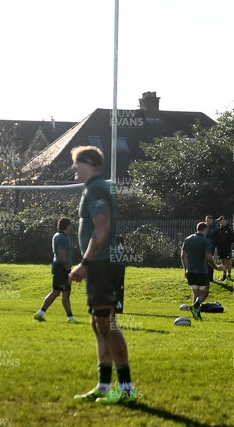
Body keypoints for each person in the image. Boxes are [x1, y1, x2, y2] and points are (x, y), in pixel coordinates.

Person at [69, 145, 137, 405]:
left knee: (107, 323)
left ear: (91, 164)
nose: (74, 168)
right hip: (100, 262)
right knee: (98, 322)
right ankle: (104, 386)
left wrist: (84, 263)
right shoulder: (94, 188)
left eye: (78, 163)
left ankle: (127, 388)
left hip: (103, 263)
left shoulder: (96, 188)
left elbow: (102, 229)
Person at [34, 217, 77, 323]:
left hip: (57, 267)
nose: (71, 228)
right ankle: (70, 317)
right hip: (62, 268)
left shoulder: (57, 236)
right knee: (64, 292)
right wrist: (67, 267)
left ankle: (40, 313)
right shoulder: (62, 238)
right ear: (67, 226)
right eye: (70, 226)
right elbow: (62, 255)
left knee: (57, 292)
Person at [181, 221, 224, 320]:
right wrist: (216, 267)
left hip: (190, 270)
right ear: (205, 229)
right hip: (201, 270)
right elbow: (208, 257)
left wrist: (185, 269)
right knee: (205, 292)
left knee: (196, 293)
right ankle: (195, 307)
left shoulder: (188, 239)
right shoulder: (206, 241)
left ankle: (197, 315)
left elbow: (183, 255)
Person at [215, 215, 234, 282]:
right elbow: (216, 238)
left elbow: (232, 238)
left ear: (225, 220)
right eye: (220, 221)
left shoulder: (229, 228)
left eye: (221, 220)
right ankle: (224, 275)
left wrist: (227, 244)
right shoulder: (219, 229)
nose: (220, 222)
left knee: (228, 261)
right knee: (223, 261)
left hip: (227, 248)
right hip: (220, 248)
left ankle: (229, 275)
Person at [205, 215, 218, 282]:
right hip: (204, 246)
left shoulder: (214, 227)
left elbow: (209, 233)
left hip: (211, 246)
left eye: (208, 220)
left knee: (210, 261)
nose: (207, 222)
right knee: (205, 262)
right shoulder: (205, 227)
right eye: (206, 220)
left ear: (212, 220)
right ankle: (206, 276)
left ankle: (210, 277)